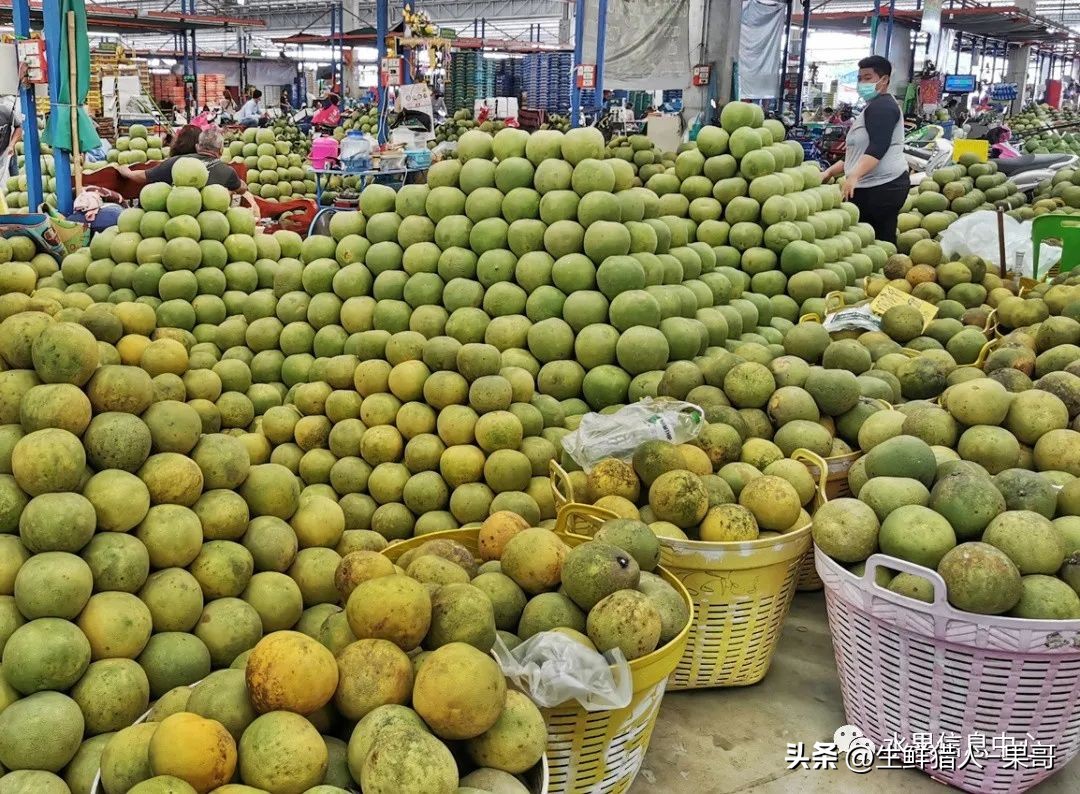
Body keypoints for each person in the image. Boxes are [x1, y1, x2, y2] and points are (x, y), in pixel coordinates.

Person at [821, 56, 908, 246]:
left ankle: (885, 273)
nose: (862, 83)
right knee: (869, 241)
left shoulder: (883, 107)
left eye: (868, 78)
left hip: (882, 188)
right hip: (874, 185)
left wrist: (854, 176)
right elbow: (856, 154)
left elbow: (878, 146)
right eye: (860, 78)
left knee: (875, 242)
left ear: (884, 80)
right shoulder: (873, 106)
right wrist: (829, 172)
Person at [120, 127, 243, 192]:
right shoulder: (228, 171)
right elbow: (242, 188)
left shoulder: (178, 162)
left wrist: (127, 172)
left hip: (178, 217)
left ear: (197, 146)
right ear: (221, 151)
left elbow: (144, 176)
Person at [0, 94, 23, 176]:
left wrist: (11, 145)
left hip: (7, 152)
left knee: (14, 179)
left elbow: (19, 128)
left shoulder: (6, 111)